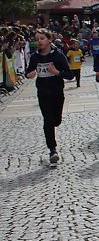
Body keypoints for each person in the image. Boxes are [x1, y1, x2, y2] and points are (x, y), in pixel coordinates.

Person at [26, 28, 71, 164]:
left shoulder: (58, 56)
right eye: (37, 39)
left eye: (42, 38)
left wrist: (56, 72)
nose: (39, 41)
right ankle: (52, 150)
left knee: (56, 120)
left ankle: (55, 124)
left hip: (57, 93)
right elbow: (28, 72)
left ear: (49, 40)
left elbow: (70, 75)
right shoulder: (35, 57)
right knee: (48, 121)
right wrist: (29, 74)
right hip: (43, 93)